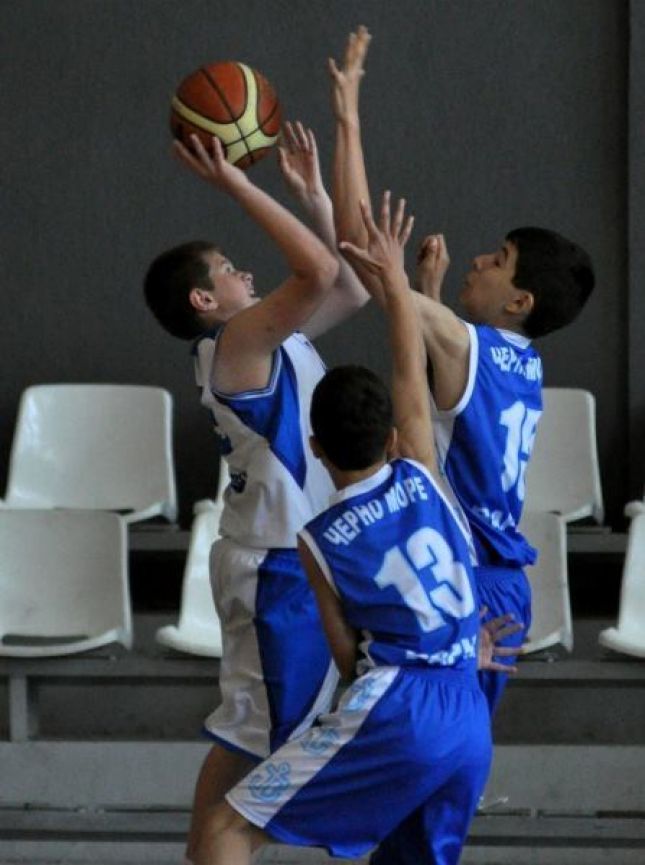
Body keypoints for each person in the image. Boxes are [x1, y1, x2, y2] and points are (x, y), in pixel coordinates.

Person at [191, 191, 520, 865]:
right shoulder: (427, 478)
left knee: (229, 826)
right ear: (395, 439)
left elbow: (348, 660)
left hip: (399, 705)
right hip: (466, 701)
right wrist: (401, 283)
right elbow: (407, 371)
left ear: (315, 449)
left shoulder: (320, 539)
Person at [328, 25, 595, 715]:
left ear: (519, 300)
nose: (479, 260)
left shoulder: (467, 344)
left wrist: (348, 114)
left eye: (498, 260)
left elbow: (357, 241)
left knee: (421, 746)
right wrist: (428, 295)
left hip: (464, 579)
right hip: (499, 582)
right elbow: (446, 398)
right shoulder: (523, 362)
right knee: (454, 751)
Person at [143, 123, 370, 864]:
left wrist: (314, 200)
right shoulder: (237, 344)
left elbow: (348, 284)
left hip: (288, 560)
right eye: (229, 269)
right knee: (256, 741)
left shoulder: (268, 340)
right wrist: (237, 183)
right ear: (203, 297)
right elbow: (314, 271)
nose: (245, 273)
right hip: (275, 568)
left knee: (252, 738)